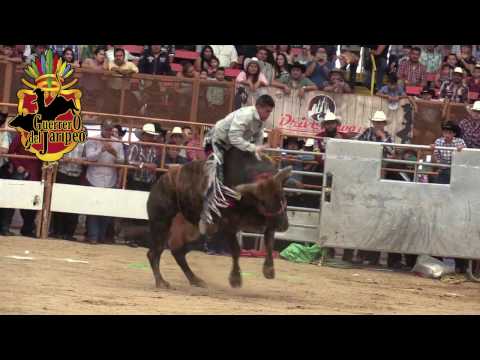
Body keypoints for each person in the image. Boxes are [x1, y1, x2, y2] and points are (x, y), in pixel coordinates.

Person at [204, 94, 275, 182]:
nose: (268, 115)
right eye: (267, 111)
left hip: (230, 145)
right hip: (215, 141)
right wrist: (254, 148)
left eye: (270, 112)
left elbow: (258, 136)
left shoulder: (260, 119)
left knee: (241, 168)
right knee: (219, 174)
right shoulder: (245, 115)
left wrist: (257, 150)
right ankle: (212, 192)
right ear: (259, 107)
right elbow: (234, 137)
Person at [355, 110, 394, 266]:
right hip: (366, 175)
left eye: (380, 122)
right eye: (376, 122)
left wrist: (383, 139)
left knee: (376, 215)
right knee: (365, 215)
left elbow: (392, 152)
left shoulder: (388, 137)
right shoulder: (366, 133)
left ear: (384, 124)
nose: (378, 125)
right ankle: (362, 253)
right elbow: (355, 144)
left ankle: (373, 255)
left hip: (379, 176)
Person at [84, 121, 125, 244]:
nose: (108, 131)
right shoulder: (92, 139)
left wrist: (115, 153)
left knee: (106, 210)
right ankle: (93, 237)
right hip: (94, 177)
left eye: (110, 129)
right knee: (93, 209)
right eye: (106, 129)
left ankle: (101, 236)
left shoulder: (117, 142)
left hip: (110, 178)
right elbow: (89, 157)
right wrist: (101, 150)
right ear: (101, 128)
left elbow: (122, 161)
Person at [7, 133, 42, 238]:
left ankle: (28, 228)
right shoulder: (21, 135)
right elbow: (11, 152)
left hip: (36, 173)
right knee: (13, 200)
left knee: (34, 201)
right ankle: (5, 228)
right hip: (22, 171)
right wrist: (18, 166)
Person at [50, 142, 85, 241]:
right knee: (59, 204)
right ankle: (57, 231)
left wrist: (80, 160)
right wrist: (62, 159)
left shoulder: (84, 143)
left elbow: (88, 158)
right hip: (62, 174)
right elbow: (54, 156)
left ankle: (69, 233)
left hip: (76, 176)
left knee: (73, 206)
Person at [0, 113, 14, 236]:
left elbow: (4, 150)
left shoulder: (4, 133)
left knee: (4, 199)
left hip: (2, 168)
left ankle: (3, 227)